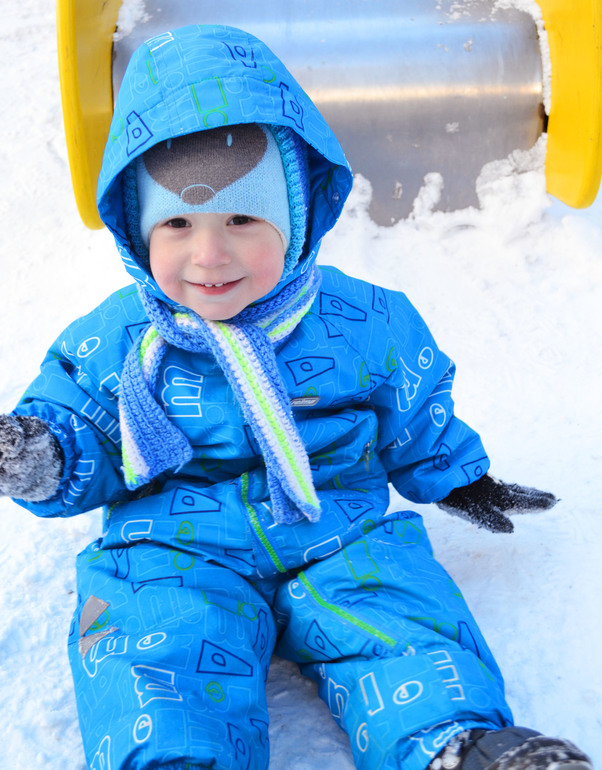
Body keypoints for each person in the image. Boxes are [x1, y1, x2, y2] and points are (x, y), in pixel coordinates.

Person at [0, 24, 592, 770]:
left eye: (243, 220)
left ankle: (458, 747)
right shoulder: (119, 337)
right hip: (174, 544)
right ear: (136, 228)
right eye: (178, 223)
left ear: (300, 216)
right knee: (151, 638)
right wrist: (39, 453)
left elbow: (412, 403)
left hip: (334, 528)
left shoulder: (362, 320)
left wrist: (458, 473)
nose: (209, 255)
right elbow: (79, 422)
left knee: (399, 616)